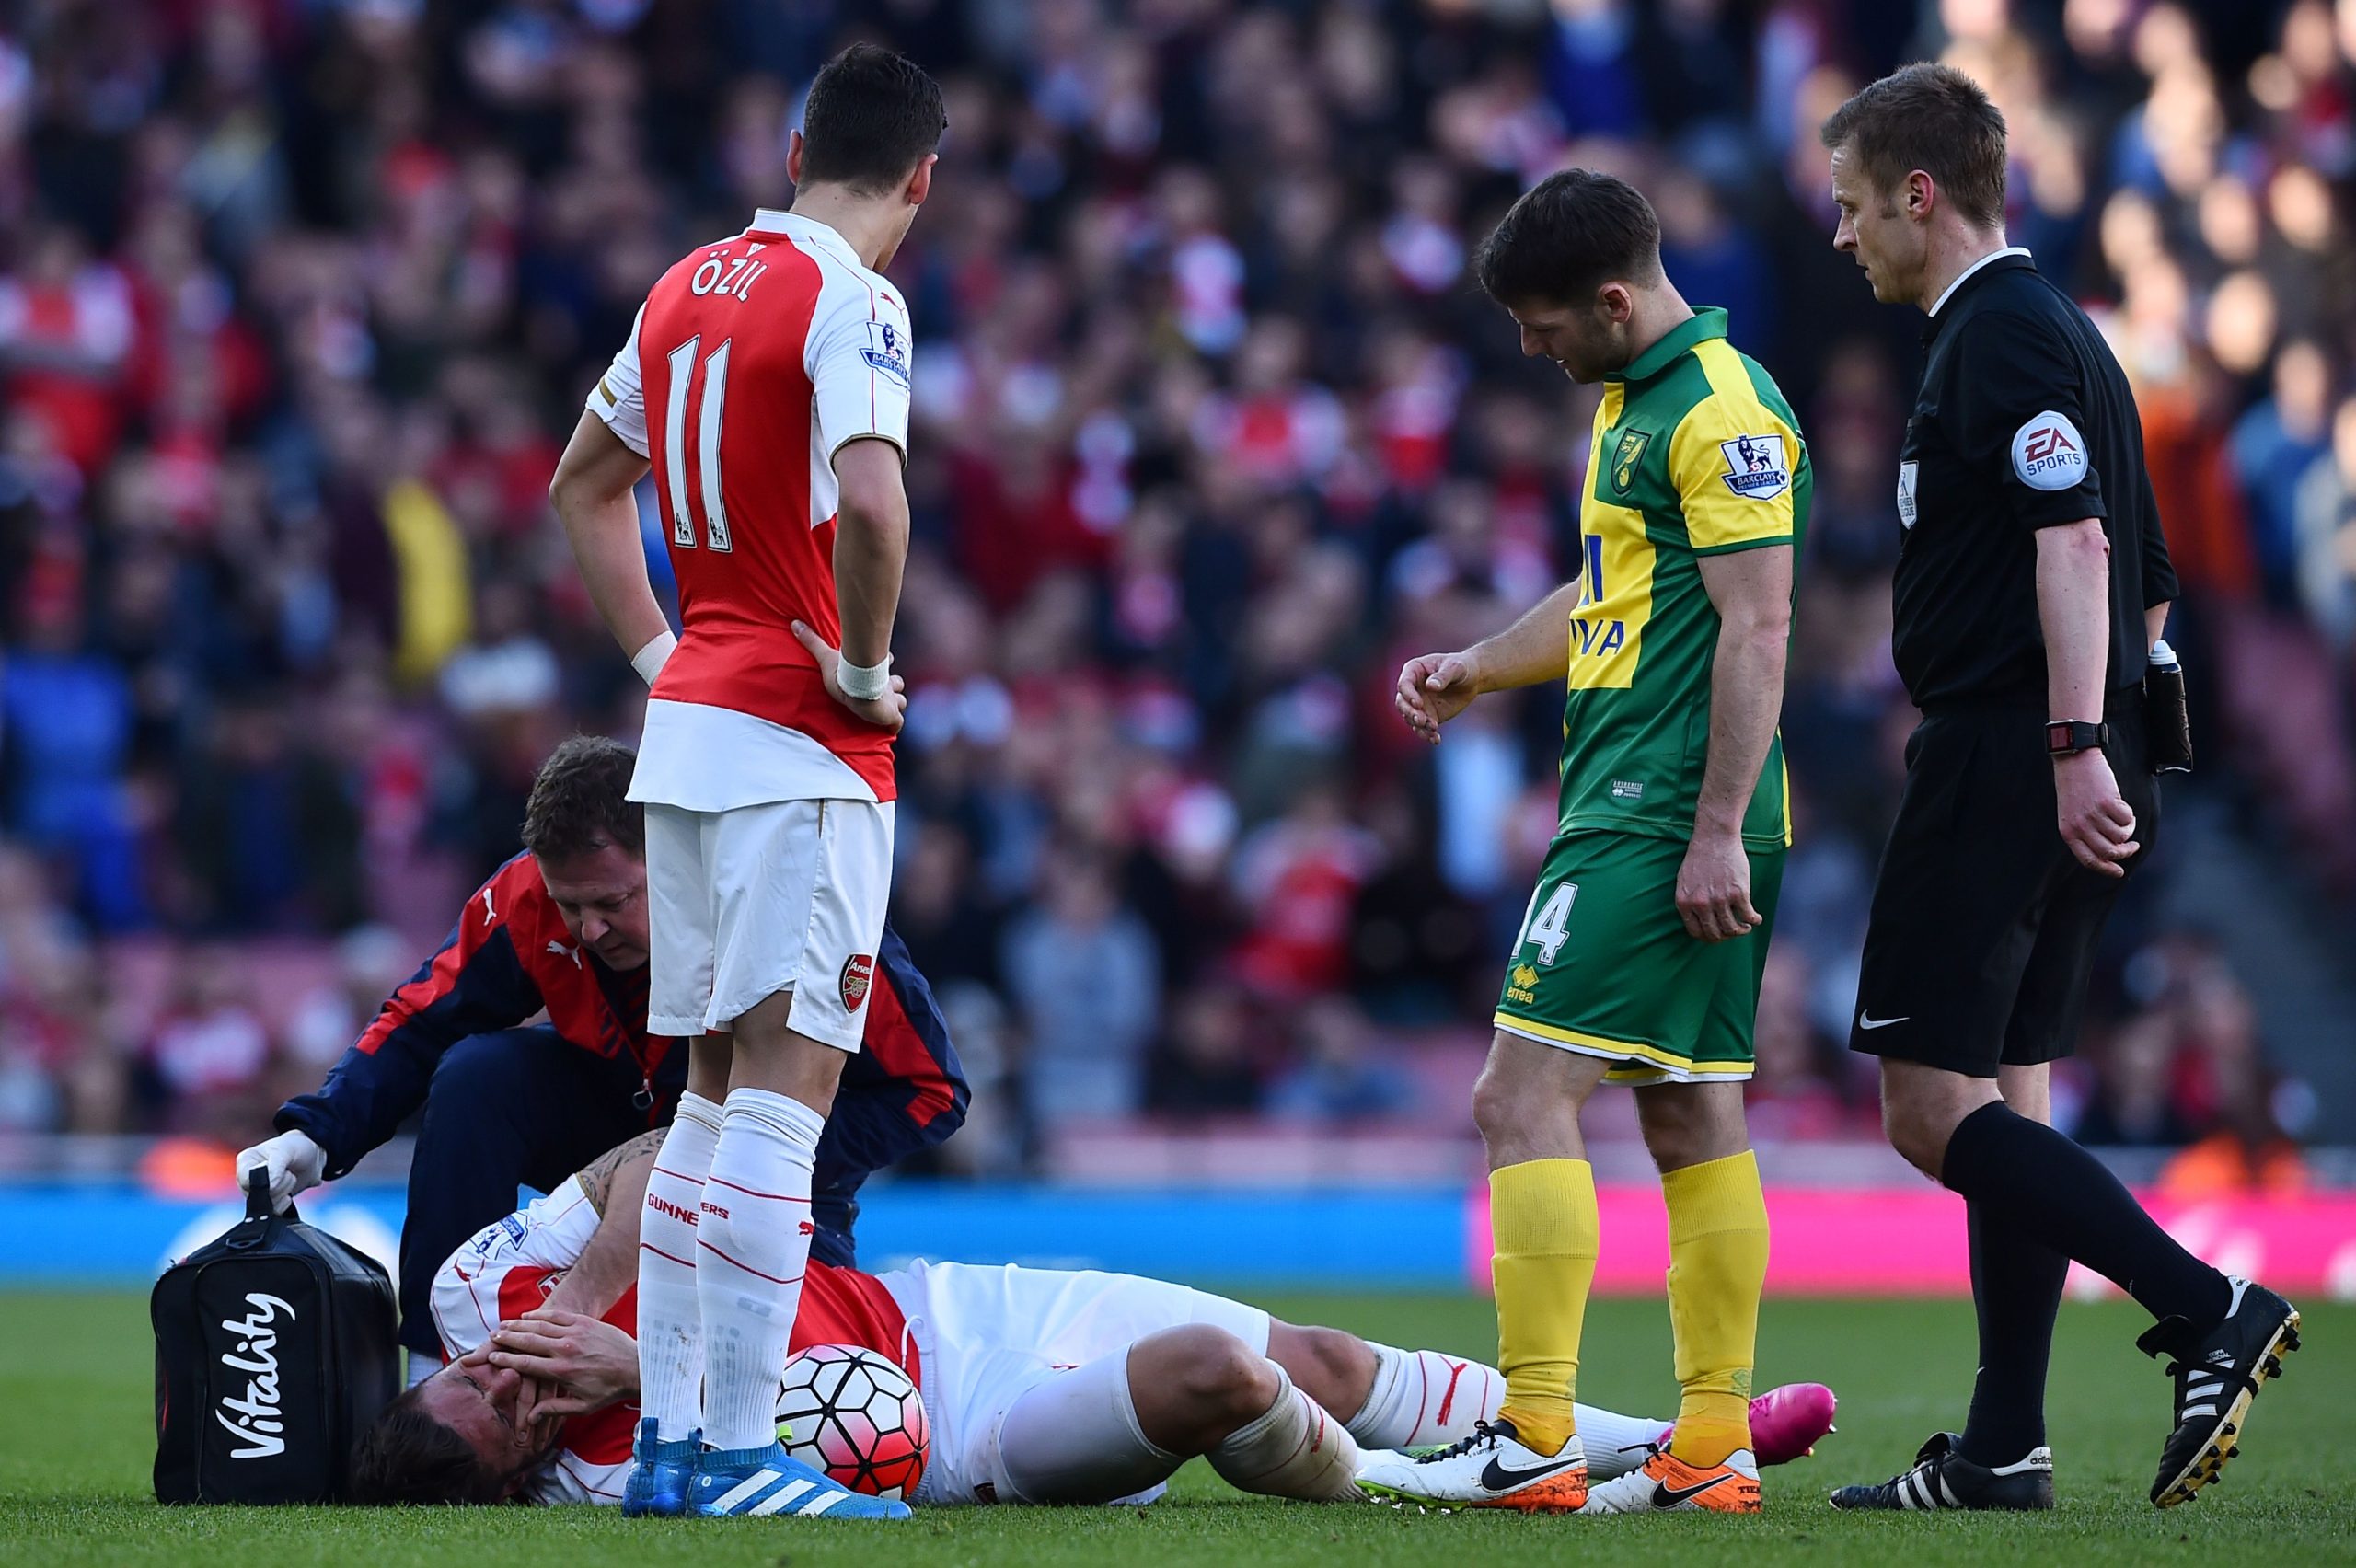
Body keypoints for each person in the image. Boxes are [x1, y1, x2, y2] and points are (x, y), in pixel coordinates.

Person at [1816, 63, 2298, 1514]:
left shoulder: (1999, 337)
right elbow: (2145, 587)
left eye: (1852, 209)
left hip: (2011, 745)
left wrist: (2069, 746)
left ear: (1921, 195)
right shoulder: (2074, 339)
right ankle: (2006, 1445)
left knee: (1922, 1108)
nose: (1841, 240)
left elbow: (2079, 551)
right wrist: (2105, 741)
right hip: (2079, 738)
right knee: (2006, 1099)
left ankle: (2204, 1303)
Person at [1365, 169, 1807, 1516]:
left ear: (1614, 300)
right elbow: (1615, 594)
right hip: (1658, 806)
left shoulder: (1722, 408)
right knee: (1686, 1110)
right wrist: (1482, 668)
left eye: (1545, 322)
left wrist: (1715, 827)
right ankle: (1713, 1449)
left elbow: (1762, 625)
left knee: (1517, 1099)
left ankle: (1536, 1434)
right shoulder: (1637, 403)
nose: (1529, 347)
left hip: (1661, 813)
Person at [547, 44, 944, 1519]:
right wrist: (857, 666)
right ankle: (731, 1454)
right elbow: (878, 510)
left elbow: (580, 485)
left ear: (792, 154)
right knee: (788, 1094)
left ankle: (670, 1447)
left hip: (691, 734)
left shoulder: (680, 288)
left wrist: (662, 652)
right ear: (920, 181)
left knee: (708, 1097)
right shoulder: (861, 300)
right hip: (801, 743)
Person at [346, 1134, 1841, 1509]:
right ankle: (1449, 1482)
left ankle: (1682, 1442)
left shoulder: (486, 1286)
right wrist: (664, 1384)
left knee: (1318, 1353)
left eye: (491, 1379)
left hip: (958, 1299)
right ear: (527, 1468)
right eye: (520, 1419)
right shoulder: (618, 1474)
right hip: (975, 1429)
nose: (527, 1382)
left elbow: (662, 1149)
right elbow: (885, 1430)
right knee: (1218, 1372)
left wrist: (606, 1310)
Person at [237, 735, 968, 1377]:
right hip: (615, 1134)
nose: (587, 930)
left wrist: (760, 1161)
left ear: (674, 855)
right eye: (570, 906)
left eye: (613, 903)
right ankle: (440, 1379)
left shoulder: (792, 907)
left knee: (783, 1385)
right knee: (476, 1076)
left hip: (767, 1170)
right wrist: (317, 1133)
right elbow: (424, 1018)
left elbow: (932, 1089)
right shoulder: (526, 898)